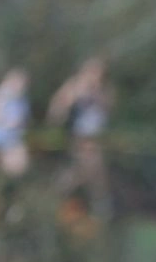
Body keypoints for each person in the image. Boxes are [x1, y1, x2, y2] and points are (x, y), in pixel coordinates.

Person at [47, 56, 112, 218]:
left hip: (96, 135)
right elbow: (57, 109)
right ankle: (100, 204)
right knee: (93, 166)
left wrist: (96, 94)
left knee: (87, 171)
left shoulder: (103, 89)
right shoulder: (74, 86)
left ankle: (55, 194)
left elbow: (108, 108)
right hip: (78, 135)